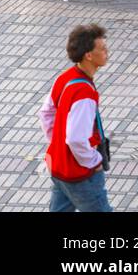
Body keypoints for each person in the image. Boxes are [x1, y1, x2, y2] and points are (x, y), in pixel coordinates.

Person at [39, 23, 113, 211]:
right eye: (103, 49)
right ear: (88, 55)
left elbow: (46, 114)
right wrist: (93, 161)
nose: (107, 52)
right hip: (80, 175)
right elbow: (76, 138)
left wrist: (57, 144)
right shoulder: (84, 93)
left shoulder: (64, 78)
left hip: (58, 167)